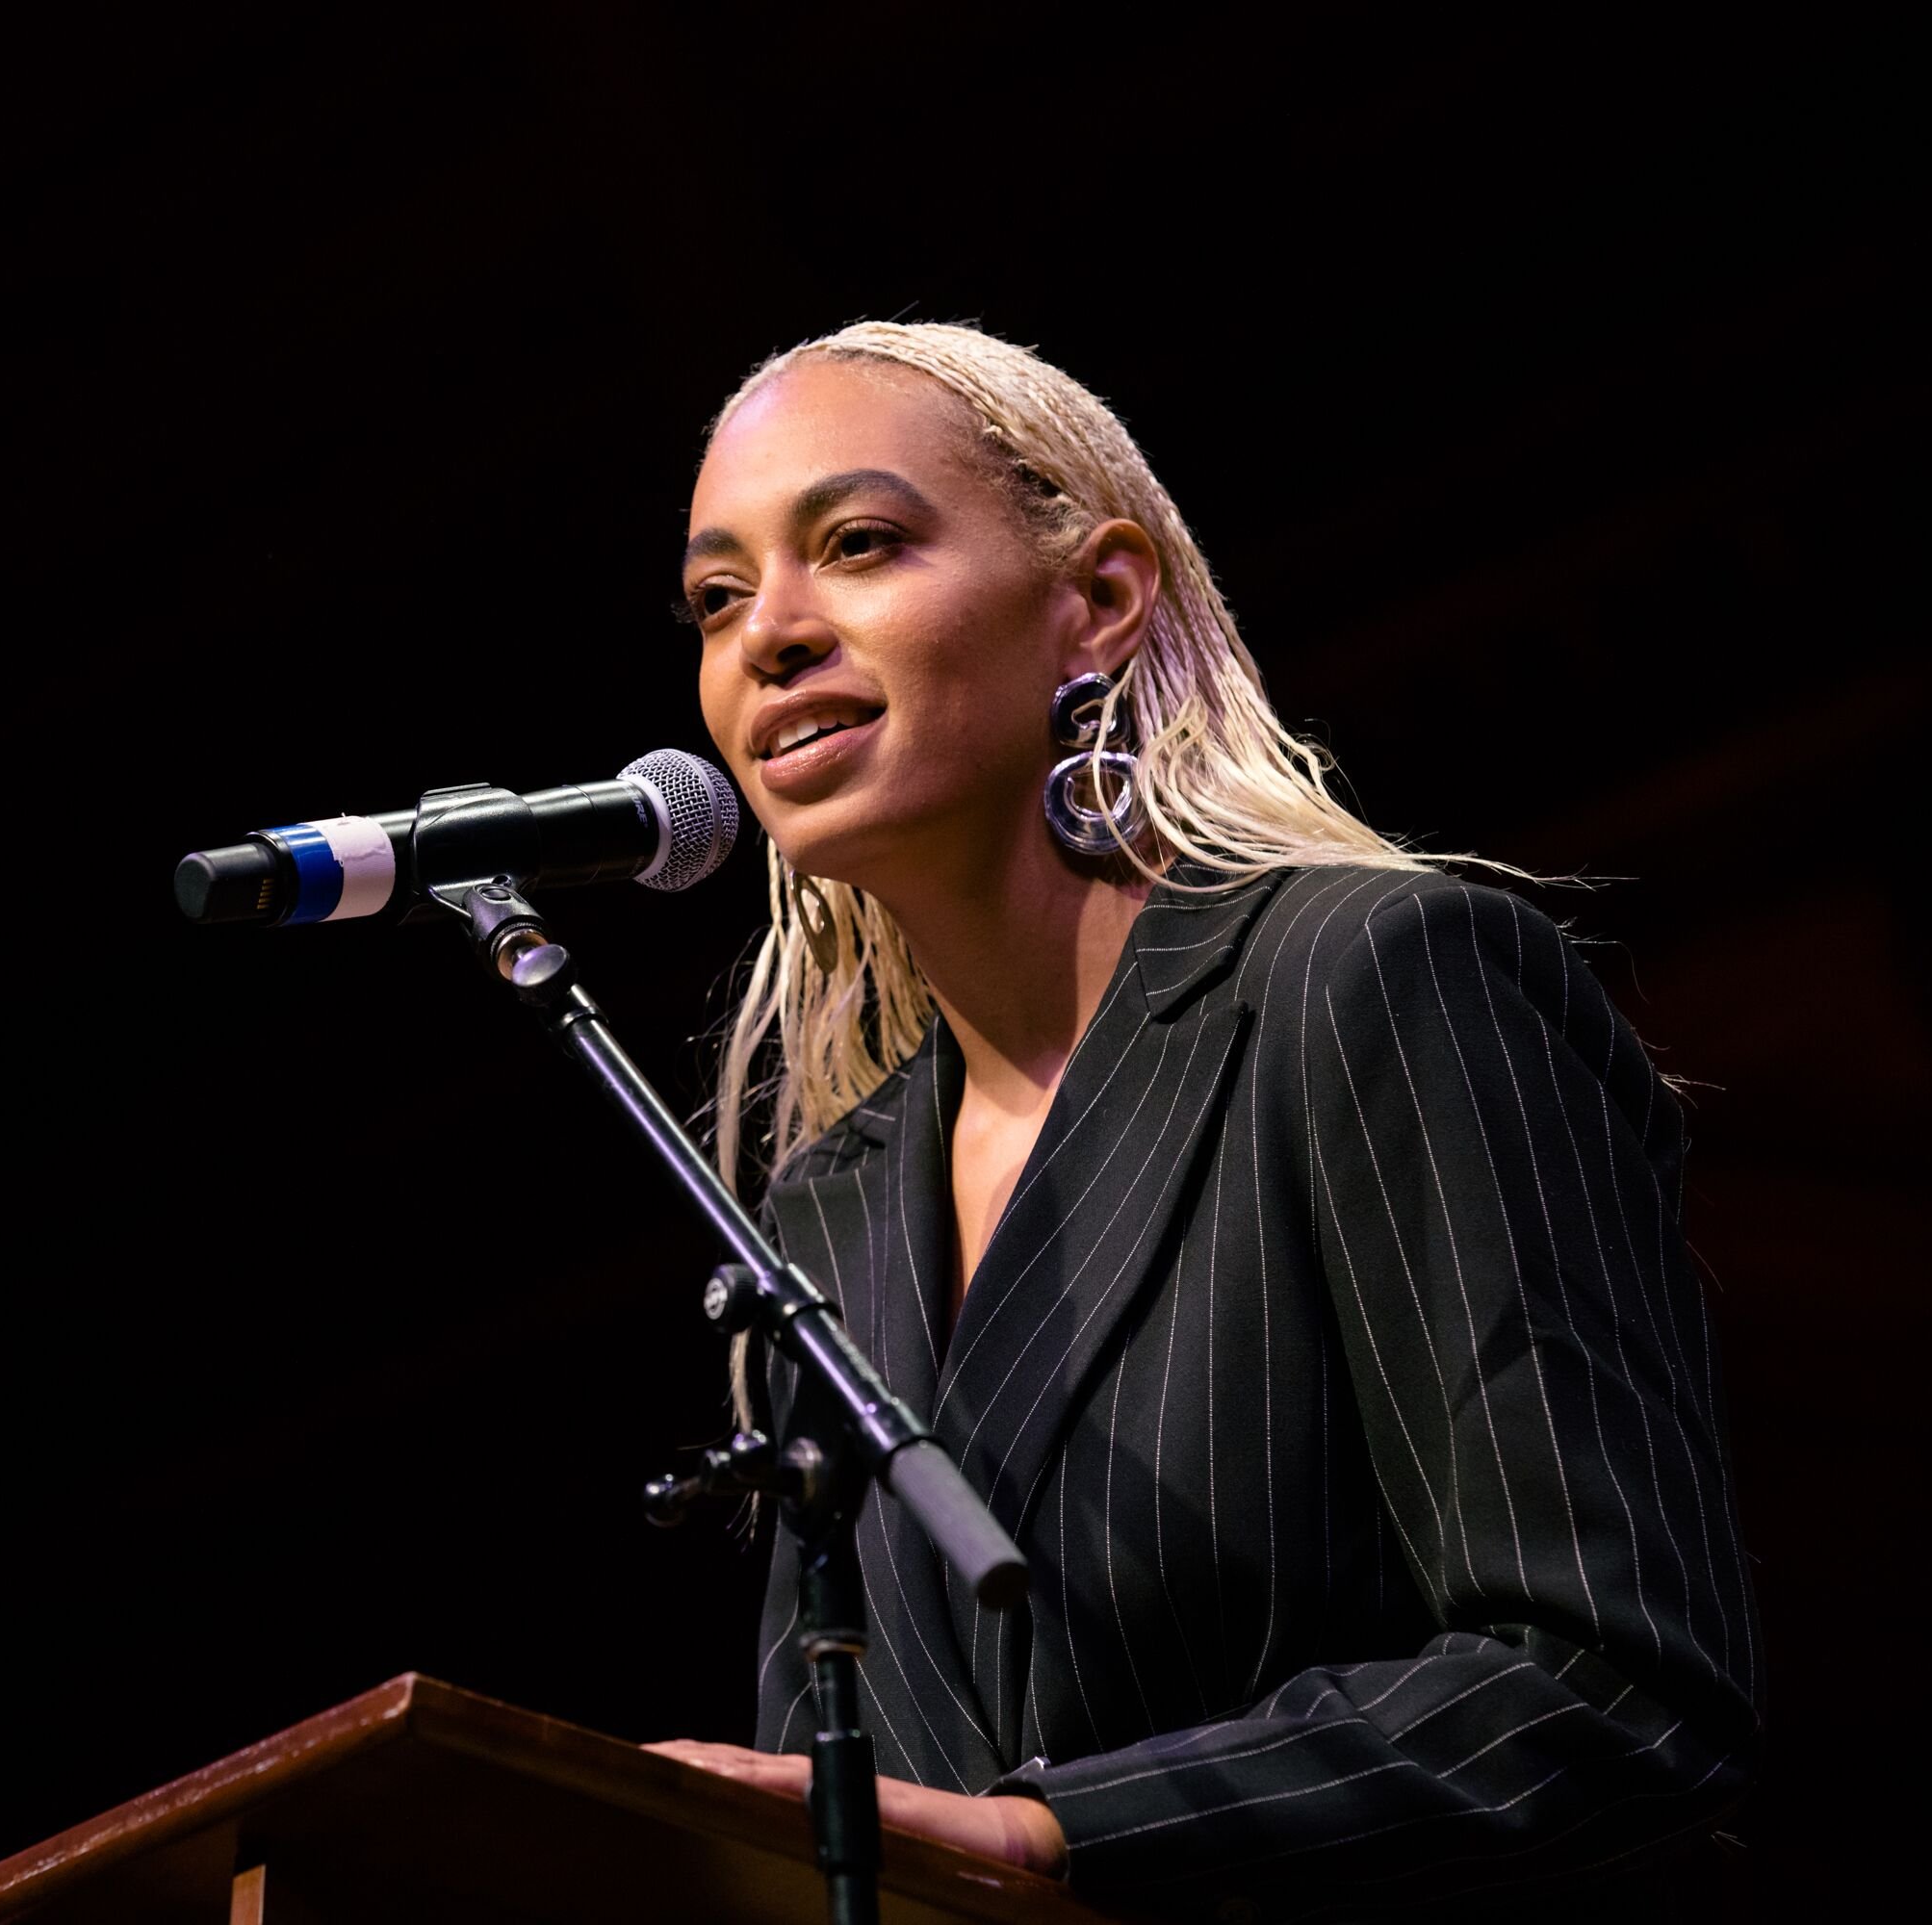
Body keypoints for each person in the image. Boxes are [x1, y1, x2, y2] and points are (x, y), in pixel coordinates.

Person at [642, 323, 1759, 1918]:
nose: (772, 636)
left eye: (860, 545)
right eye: (718, 598)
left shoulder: (1369, 982)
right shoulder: (829, 1203)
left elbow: (1612, 1684)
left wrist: (1054, 1836)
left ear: (1097, 599)